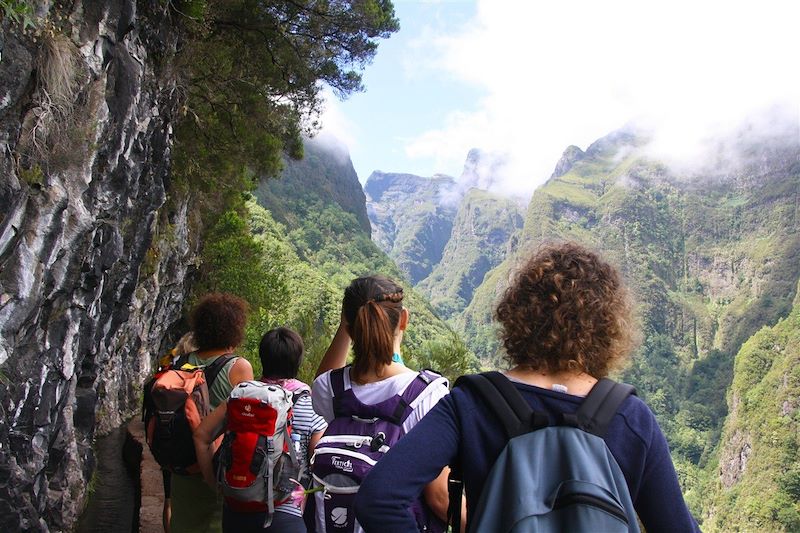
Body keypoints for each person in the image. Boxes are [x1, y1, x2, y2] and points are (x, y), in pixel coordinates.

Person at [354, 242, 701, 532]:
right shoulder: (631, 417)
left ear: (517, 316)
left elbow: (379, 498)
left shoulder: (470, 404)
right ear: (606, 326)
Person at [311, 275, 455, 533]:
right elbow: (439, 499)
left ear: (349, 327)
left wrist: (347, 324)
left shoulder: (329, 391)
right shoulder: (427, 396)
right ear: (404, 320)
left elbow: (324, 378)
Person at [194, 327, 327, 532]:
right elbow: (320, 461)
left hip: (238, 509)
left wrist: (214, 483)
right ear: (297, 362)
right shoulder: (310, 405)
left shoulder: (242, 399)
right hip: (286, 513)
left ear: (263, 357)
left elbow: (201, 435)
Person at [170, 293, 254, 533]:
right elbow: (245, 422)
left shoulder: (181, 362)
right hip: (215, 465)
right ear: (234, 329)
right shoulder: (238, 367)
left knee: (183, 523)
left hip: (182, 462)